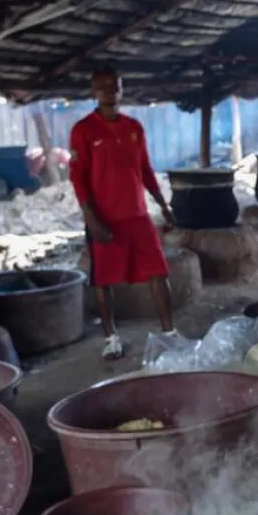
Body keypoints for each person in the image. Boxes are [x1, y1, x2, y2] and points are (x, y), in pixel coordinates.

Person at [70, 64, 177, 360]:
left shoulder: (134, 128)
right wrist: (93, 221)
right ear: (94, 91)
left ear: (122, 89)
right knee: (104, 280)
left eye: (114, 86)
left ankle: (170, 333)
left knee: (158, 272)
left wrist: (163, 205)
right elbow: (78, 179)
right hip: (104, 218)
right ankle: (111, 338)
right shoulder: (83, 130)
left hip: (137, 215)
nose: (109, 92)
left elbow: (145, 170)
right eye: (102, 86)